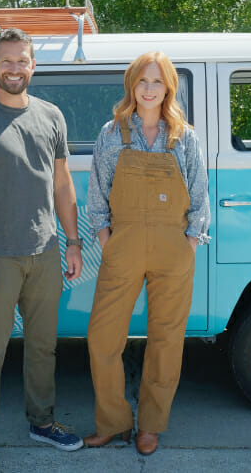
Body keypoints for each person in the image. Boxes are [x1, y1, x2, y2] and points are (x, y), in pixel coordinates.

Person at [0, 28, 84, 473]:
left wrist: (73, 241)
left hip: (44, 253)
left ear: (33, 65)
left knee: (43, 347)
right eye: (6, 61)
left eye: (21, 60)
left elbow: (62, 186)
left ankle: (41, 422)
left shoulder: (51, 116)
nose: (14, 68)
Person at [84, 52, 210, 455]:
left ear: (168, 87)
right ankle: (114, 422)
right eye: (142, 81)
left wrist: (189, 243)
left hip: (174, 249)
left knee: (166, 340)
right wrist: (106, 239)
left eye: (158, 82)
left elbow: (200, 200)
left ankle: (150, 426)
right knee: (102, 340)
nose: (149, 89)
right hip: (123, 247)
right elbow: (97, 194)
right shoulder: (112, 132)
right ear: (131, 86)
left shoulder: (185, 137)